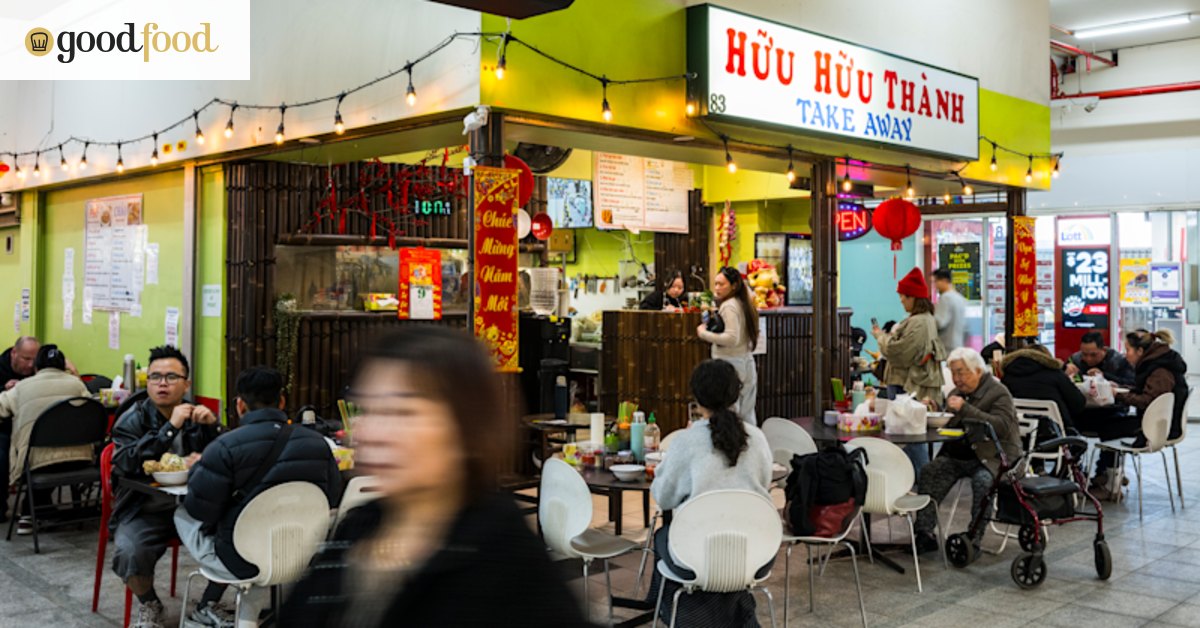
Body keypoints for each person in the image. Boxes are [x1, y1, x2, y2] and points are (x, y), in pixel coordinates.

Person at [280, 326, 590, 627]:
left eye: (401, 412)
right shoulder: (358, 526)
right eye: (367, 410)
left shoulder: (503, 555)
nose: (369, 432)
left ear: (466, 428)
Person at [176, 366, 341, 628]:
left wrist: (199, 468)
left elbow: (201, 510)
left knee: (182, 511)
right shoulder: (317, 443)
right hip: (300, 553)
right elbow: (332, 497)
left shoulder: (224, 447)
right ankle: (232, 611)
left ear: (240, 405)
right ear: (282, 401)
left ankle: (211, 605)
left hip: (240, 560)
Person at [648, 359, 773, 626]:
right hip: (755, 554)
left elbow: (663, 496)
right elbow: (763, 486)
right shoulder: (758, 438)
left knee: (662, 537)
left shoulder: (686, 440)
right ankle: (734, 615)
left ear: (697, 398)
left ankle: (681, 615)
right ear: (736, 394)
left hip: (695, 557)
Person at [111, 345, 222, 628]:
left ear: (186, 383)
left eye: (172, 377)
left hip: (196, 507)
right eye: (155, 377)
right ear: (146, 382)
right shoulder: (131, 418)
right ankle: (150, 604)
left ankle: (208, 603)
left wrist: (214, 430)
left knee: (238, 535)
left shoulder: (197, 416)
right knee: (128, 551)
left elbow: (224, 465)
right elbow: (124, 462)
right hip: (145, 508)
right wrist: (169, 428)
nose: (162, 383)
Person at [913, 347, 1019, 554]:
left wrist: (966, 409)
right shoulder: (957, 393)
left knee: (983, 482)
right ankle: (924, 533)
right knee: (931, 470)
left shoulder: (998, 393)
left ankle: (973, 538)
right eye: (953, 373)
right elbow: (949, 424)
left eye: (961, 372)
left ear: (978, 370)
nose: (956, 378)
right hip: (959, 456)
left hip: (992, 458)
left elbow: (1002, 426)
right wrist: (934, 409)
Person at [0, 344, 91, 534]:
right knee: (53, 452)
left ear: (36, 367)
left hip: (35, 463)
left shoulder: (22, 387)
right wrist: (74, 373)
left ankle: (30, 514)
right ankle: (36, 512)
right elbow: (90, 408)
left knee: (37, 453)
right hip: (80, 459)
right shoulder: (77, 384)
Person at [872, 267, 946, 475]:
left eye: (903, 297)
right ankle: (916, 479)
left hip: (909, 385)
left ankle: (922, 481)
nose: (901, 301)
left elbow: (898, 352)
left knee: (912, 437)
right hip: (912, 383)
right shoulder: (923, 320)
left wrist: (880, 337)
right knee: (911, 436)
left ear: (913, 297)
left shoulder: (919, 322)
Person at [697, 266, 760, 425]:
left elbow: (732, 338)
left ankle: (732, 448)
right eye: (716, 284)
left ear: (734, 285)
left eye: (721, 284)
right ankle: (752, 448)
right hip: (746, 362)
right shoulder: (744, 302)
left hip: (730, 365)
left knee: (729, 415)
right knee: (747, 415)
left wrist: (703, 333)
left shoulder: (729, 306)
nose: (717, 288)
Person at [999, 343, 1087, 432]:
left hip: (1019, 432)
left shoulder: (1008, 377)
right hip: (1056, 434)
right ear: (1047, 358)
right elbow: (1078, 404)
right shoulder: (1055, 374)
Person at [0, 336, 39, 521]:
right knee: (2, 451)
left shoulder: (39, 370)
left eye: (35, 359)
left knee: (50, 448)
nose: (31, 365)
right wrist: (3, 388)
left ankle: (34, 508)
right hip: (4, 426)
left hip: (30, 427)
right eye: (26, 359)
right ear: (14, 353)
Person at [1064, 331, 1135, 386]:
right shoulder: (1074, 360)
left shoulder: (1118, 361)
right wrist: (1064, 370)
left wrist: (1104, 376)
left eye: (1093, 355)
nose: (1089, 359)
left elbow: (1131, 383)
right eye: (1084, 354)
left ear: (1103, 349)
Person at [932, 268, 967, 351]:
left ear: (944, 281)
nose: (935, 285)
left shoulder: (945, 298)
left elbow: (940, 322)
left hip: (946, 345)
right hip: (958, 344)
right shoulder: (960, 298)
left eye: (936, 281)